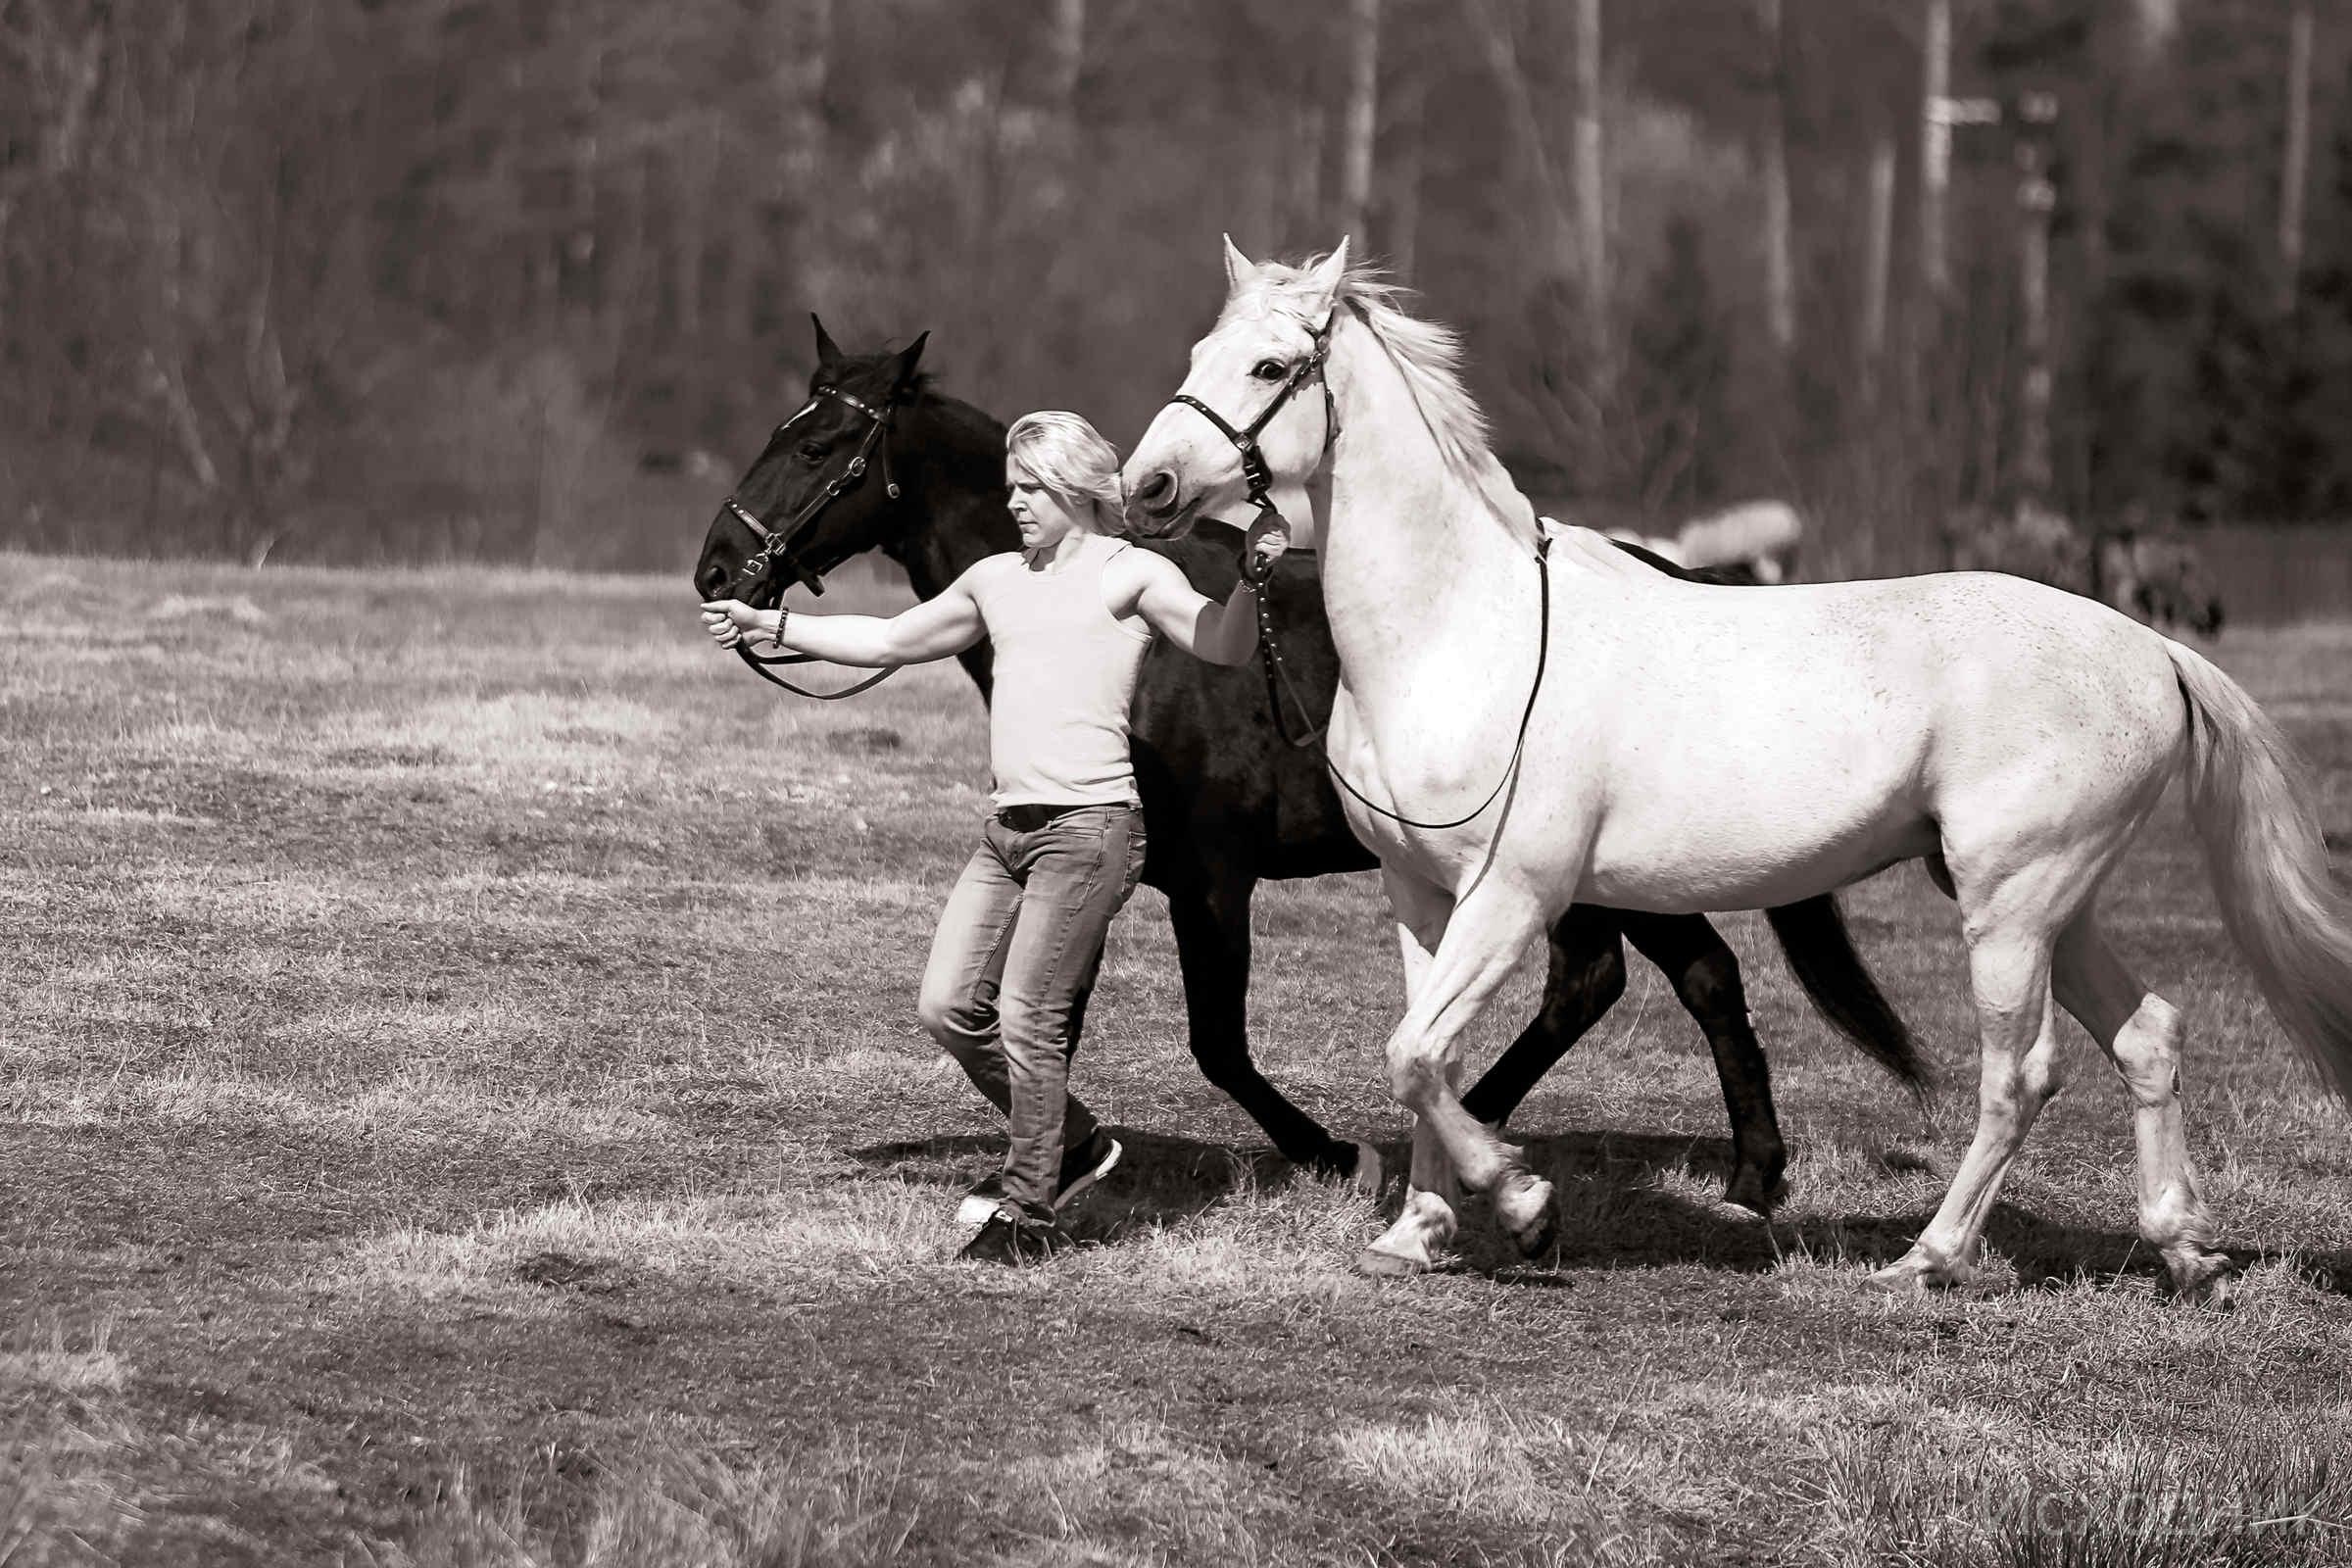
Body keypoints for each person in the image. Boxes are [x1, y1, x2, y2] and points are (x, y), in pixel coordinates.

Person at [701, 412, 1286, 1265]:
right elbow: (893, 639)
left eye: (1031, 488)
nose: (1014, 502)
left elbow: (1222, 644)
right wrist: (773, 627)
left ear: (1076, 488)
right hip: (1006, 833)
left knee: (1027, 1018)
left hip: (1088, 833)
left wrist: (1252, 581)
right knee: (947, 1007)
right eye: (1012, 487)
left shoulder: (1130, 572)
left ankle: (1029, 1213)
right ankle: (1074, 1140)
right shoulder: (995, 580)